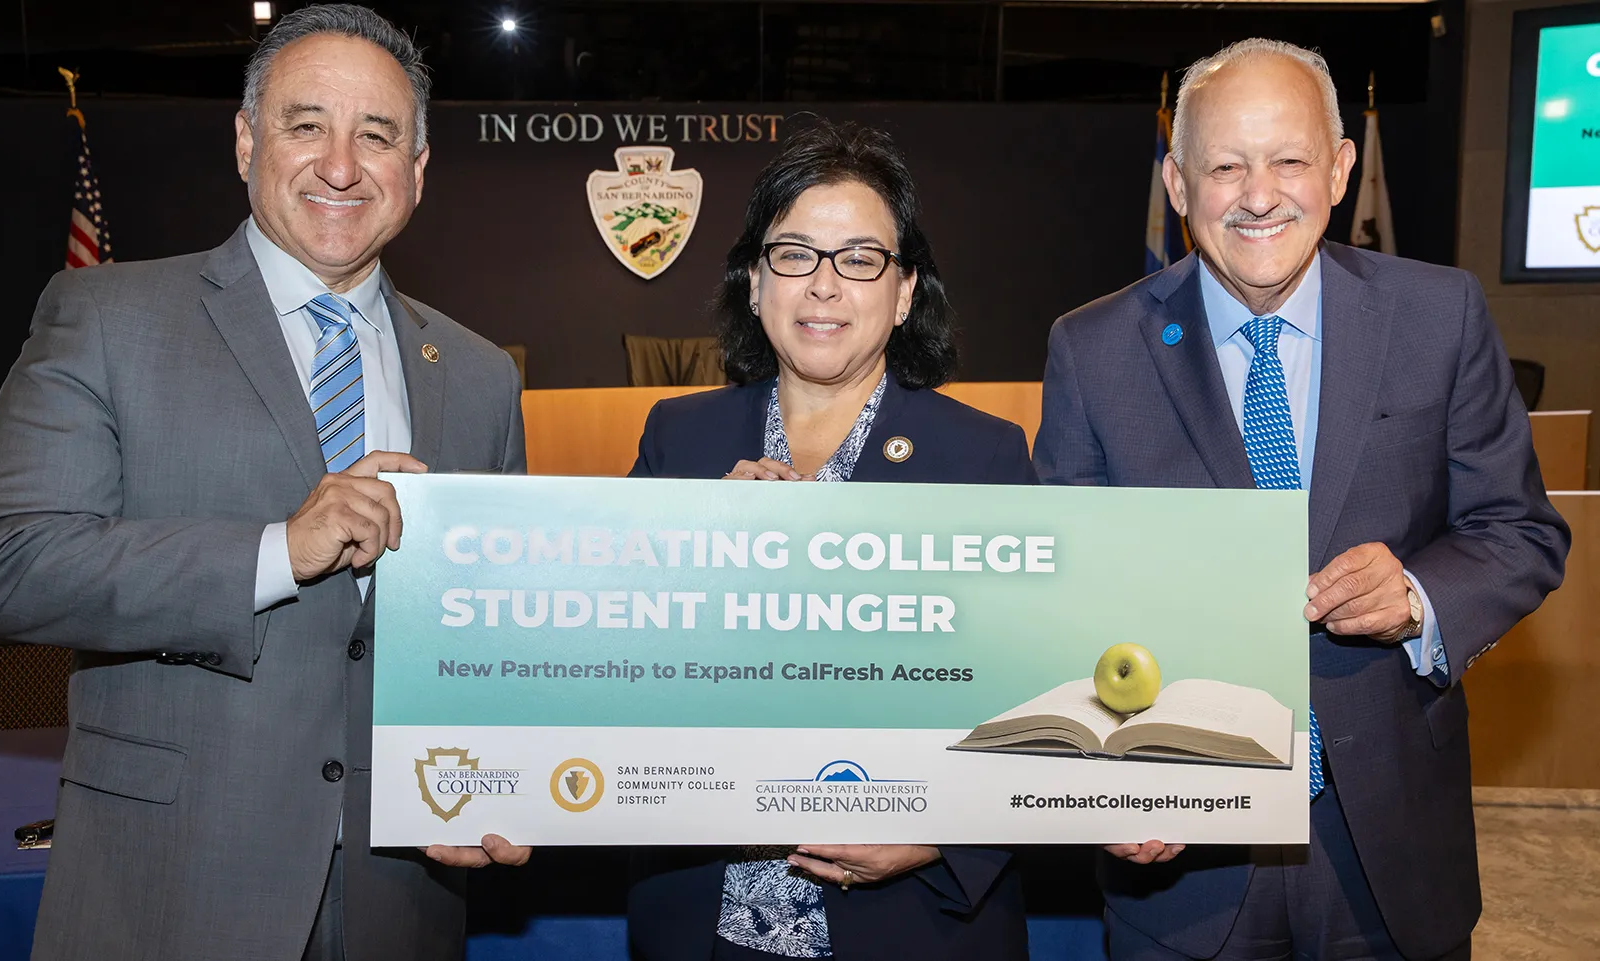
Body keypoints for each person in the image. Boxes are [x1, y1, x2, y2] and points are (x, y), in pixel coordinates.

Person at [0, 6, 529, 960]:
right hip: (174, 888)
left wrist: (504, 779)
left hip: (405, 896)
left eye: (377, 135)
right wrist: (279, 548)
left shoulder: (478, 374)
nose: (341, 164)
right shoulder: (107, 316)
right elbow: (11, 567)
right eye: (307, 125)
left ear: (418, 173)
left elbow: (495, 631)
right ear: (244, 142)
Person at [1033, 38, 1569, 961]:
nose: (1259, 193)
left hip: (1391, 845)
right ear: (1176, 180)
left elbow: (1518, 530)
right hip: (1183, 848)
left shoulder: (1438, 316)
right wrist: (1110, 784)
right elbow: (1060, 588)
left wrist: (1420, 598)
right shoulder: (1093, 349)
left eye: (1289, 159)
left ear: (1341, 167)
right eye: (1226, 166)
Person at [627, 121, 1032, 961]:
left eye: (859, 259)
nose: (823, 286)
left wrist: (941, 833)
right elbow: (618, 666)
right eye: (794, 255)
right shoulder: (679, 440)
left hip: (911, 921)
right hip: (709, 917)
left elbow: (1036, 699)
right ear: (752, 281)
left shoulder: (983, 456)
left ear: (906, 290)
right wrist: (701, 550)